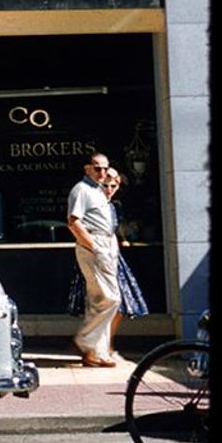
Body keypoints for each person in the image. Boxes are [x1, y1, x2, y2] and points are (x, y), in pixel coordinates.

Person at [69, 168, 149, 349]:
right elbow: (77, 226)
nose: (110, 189)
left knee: (118, 304)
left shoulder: (113, 207)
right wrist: (95, 248)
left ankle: (103, 345)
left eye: (114, 185)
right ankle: (94, 345)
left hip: (112, 256)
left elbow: (116, 229)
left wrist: (121, 239)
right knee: (103, 302)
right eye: (106, 185)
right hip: (96, 256)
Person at [66, 151, 121, 368]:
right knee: (111, 298)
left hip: (107, 243)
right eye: (97, 168)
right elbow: (73, 222)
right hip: (94, 244)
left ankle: (96, 353)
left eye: (105, 168)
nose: (102, 172)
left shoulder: (98, 190)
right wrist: (95, 246)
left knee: (97, 300)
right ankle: (85, 339)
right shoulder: (81, 190)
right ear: (87, 168)